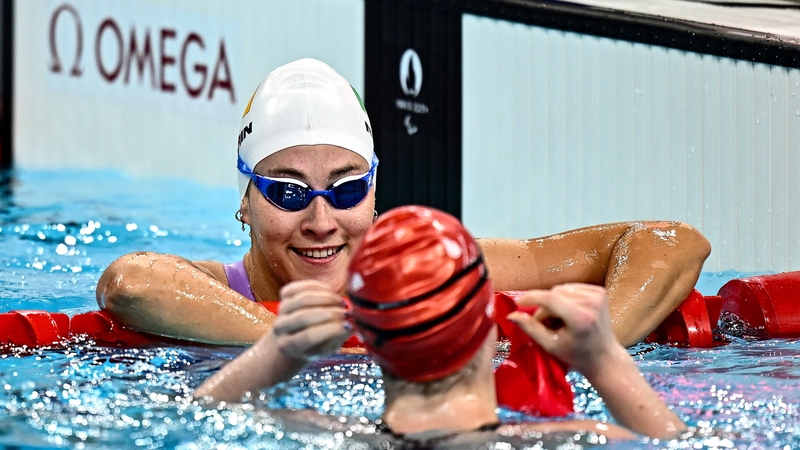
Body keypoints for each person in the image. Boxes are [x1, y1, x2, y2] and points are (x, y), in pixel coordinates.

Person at [95, 58, 711, 349]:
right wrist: (311, 336)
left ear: (374, 193)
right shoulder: (219, 290)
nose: (320, 220)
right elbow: (129, 283)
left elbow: (670, 241)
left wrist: (604, 344)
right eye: (286, 191)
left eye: (346, 188)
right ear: (245, 203)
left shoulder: (430, 267)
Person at [194, 205, 687, 443]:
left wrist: (277, 354)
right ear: (494, 322)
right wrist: (606, 361)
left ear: (363, 337)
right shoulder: (575, 440)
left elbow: (200, 414)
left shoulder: (315, 434)